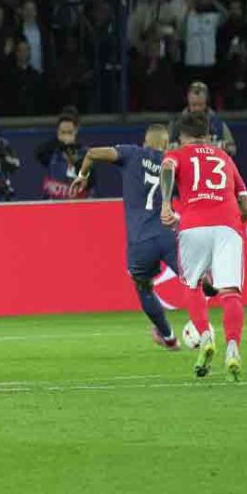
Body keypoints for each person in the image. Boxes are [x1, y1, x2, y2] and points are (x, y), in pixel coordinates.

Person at [160, 112, 247, 380]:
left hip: (194, 225)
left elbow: (166, 168)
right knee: (231, 292)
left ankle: (205, 336)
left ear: (180, 136)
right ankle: (233, 348)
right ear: (208, 134)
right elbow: (246, 206)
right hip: (228, 226)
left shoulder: (178, 154)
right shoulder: (225, 158)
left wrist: (167, 204)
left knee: (192, 285)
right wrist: (232, 222)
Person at [70, 124, 180, 349]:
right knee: (197, 280)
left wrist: (83, 175)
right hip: (168, 234)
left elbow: (91, 153)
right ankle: (206, 323)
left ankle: (168, 337)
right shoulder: (172, 161)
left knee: (143, 286)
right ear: (166, 145)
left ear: (145, 142)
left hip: (140, 240)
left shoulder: (132, 153)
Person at [169, 81, 236, 156]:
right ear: (188, 102)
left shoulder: (218, 124)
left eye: (200, 105)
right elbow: (166, 150)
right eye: (194, 105)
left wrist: (223, 147)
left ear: (206, 102)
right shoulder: (177, 124)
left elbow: (232, 149)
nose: (197, 109)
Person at [36, 110, 87, 199]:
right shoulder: (51, 154)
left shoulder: (85, 154)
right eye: (63, 132)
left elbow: (91, 181)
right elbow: (38, 153)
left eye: (69, 132)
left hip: (77, 206)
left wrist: (72, 154)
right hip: (53, 206)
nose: (66, 137)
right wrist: (60, 143)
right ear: (57, 132)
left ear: (76, 131)